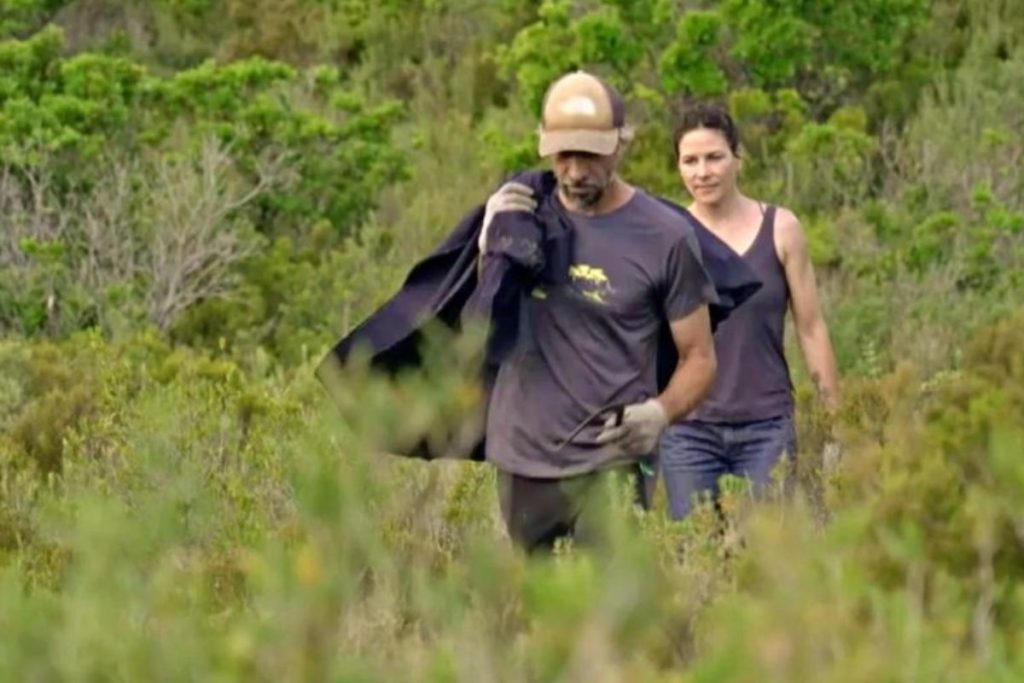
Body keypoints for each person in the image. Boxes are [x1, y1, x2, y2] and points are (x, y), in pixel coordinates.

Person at [480, 72, 721, 552]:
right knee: (540, 611)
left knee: (612, 614)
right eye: (564, 154)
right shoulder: (520, 216)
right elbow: (476, 322)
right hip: (525, 459)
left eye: (590, 154)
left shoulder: (665, 237)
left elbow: (700, 357)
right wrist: (487, 245)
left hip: (613, 463)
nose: (573, 171)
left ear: (622, 144)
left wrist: (660, 413)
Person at [659, 103, 841, 521]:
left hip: (767, 426)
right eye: (690, 161)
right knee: (697, 560)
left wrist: (836, 423)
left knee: (765, 561)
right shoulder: (668, 235)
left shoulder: (781, 228)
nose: (702, 172)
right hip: (689, 431)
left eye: (714, 157)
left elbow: (811, 329)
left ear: (738, 159)